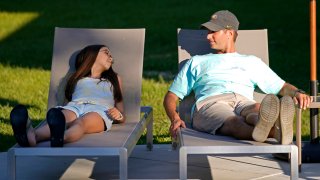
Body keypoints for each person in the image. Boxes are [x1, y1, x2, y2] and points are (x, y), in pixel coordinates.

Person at [163, 10, 312, 145]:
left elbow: (282, 86)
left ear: (229, 33)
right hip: (211, 103)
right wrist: (175, 118)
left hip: (243, 101)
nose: (208, 36)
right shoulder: (196, 62)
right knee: (236, 123)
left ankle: (265, 126)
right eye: (208, 32)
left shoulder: (251, 61)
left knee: (258, 109)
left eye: (213, 31)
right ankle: (278, 132)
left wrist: (297, 92)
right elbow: (171, 96)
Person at [10, 44, 125, 147]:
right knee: (62, 118)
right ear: (91, 56)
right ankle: (31, 136)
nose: (111, 56)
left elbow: (121, 112)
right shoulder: (76, 78)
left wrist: (118, 115)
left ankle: (60, 137)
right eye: (106, 52)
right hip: (74, 106)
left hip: (100, 111)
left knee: (80, 123)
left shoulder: (114, 79)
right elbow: (66, 100)